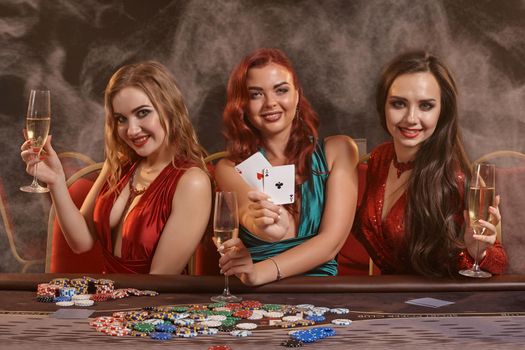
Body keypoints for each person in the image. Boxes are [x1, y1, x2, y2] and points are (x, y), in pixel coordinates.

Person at [21, 61, 212, 274]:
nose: (131, 130)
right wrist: (56, 181)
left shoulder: (192, 182)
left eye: (142, 113)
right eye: (121, 119)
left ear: (169, 109)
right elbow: (80, 242)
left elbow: (160, 281)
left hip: (150, 304)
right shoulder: (119, 165)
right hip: (108, 297)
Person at [352, 51, 508, 276]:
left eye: (426, 106)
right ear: (382, 106)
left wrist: (477, 253)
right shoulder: (380, 158)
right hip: (386, 296)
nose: (411, 118)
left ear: (442, 111)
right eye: (398, 104)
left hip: (440, 302)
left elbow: (500, 264)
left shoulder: (457, 177)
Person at [215, 48, 360, 286]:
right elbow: (252, 220)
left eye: (281, 90)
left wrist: (260, 272)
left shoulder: (339, 150)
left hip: (320, 291)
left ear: (297, 95)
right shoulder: (230, 167)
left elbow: (331, 243)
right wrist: (268, 227)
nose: (270, 103)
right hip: (258, 297)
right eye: (256, 94)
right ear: (242, 105)